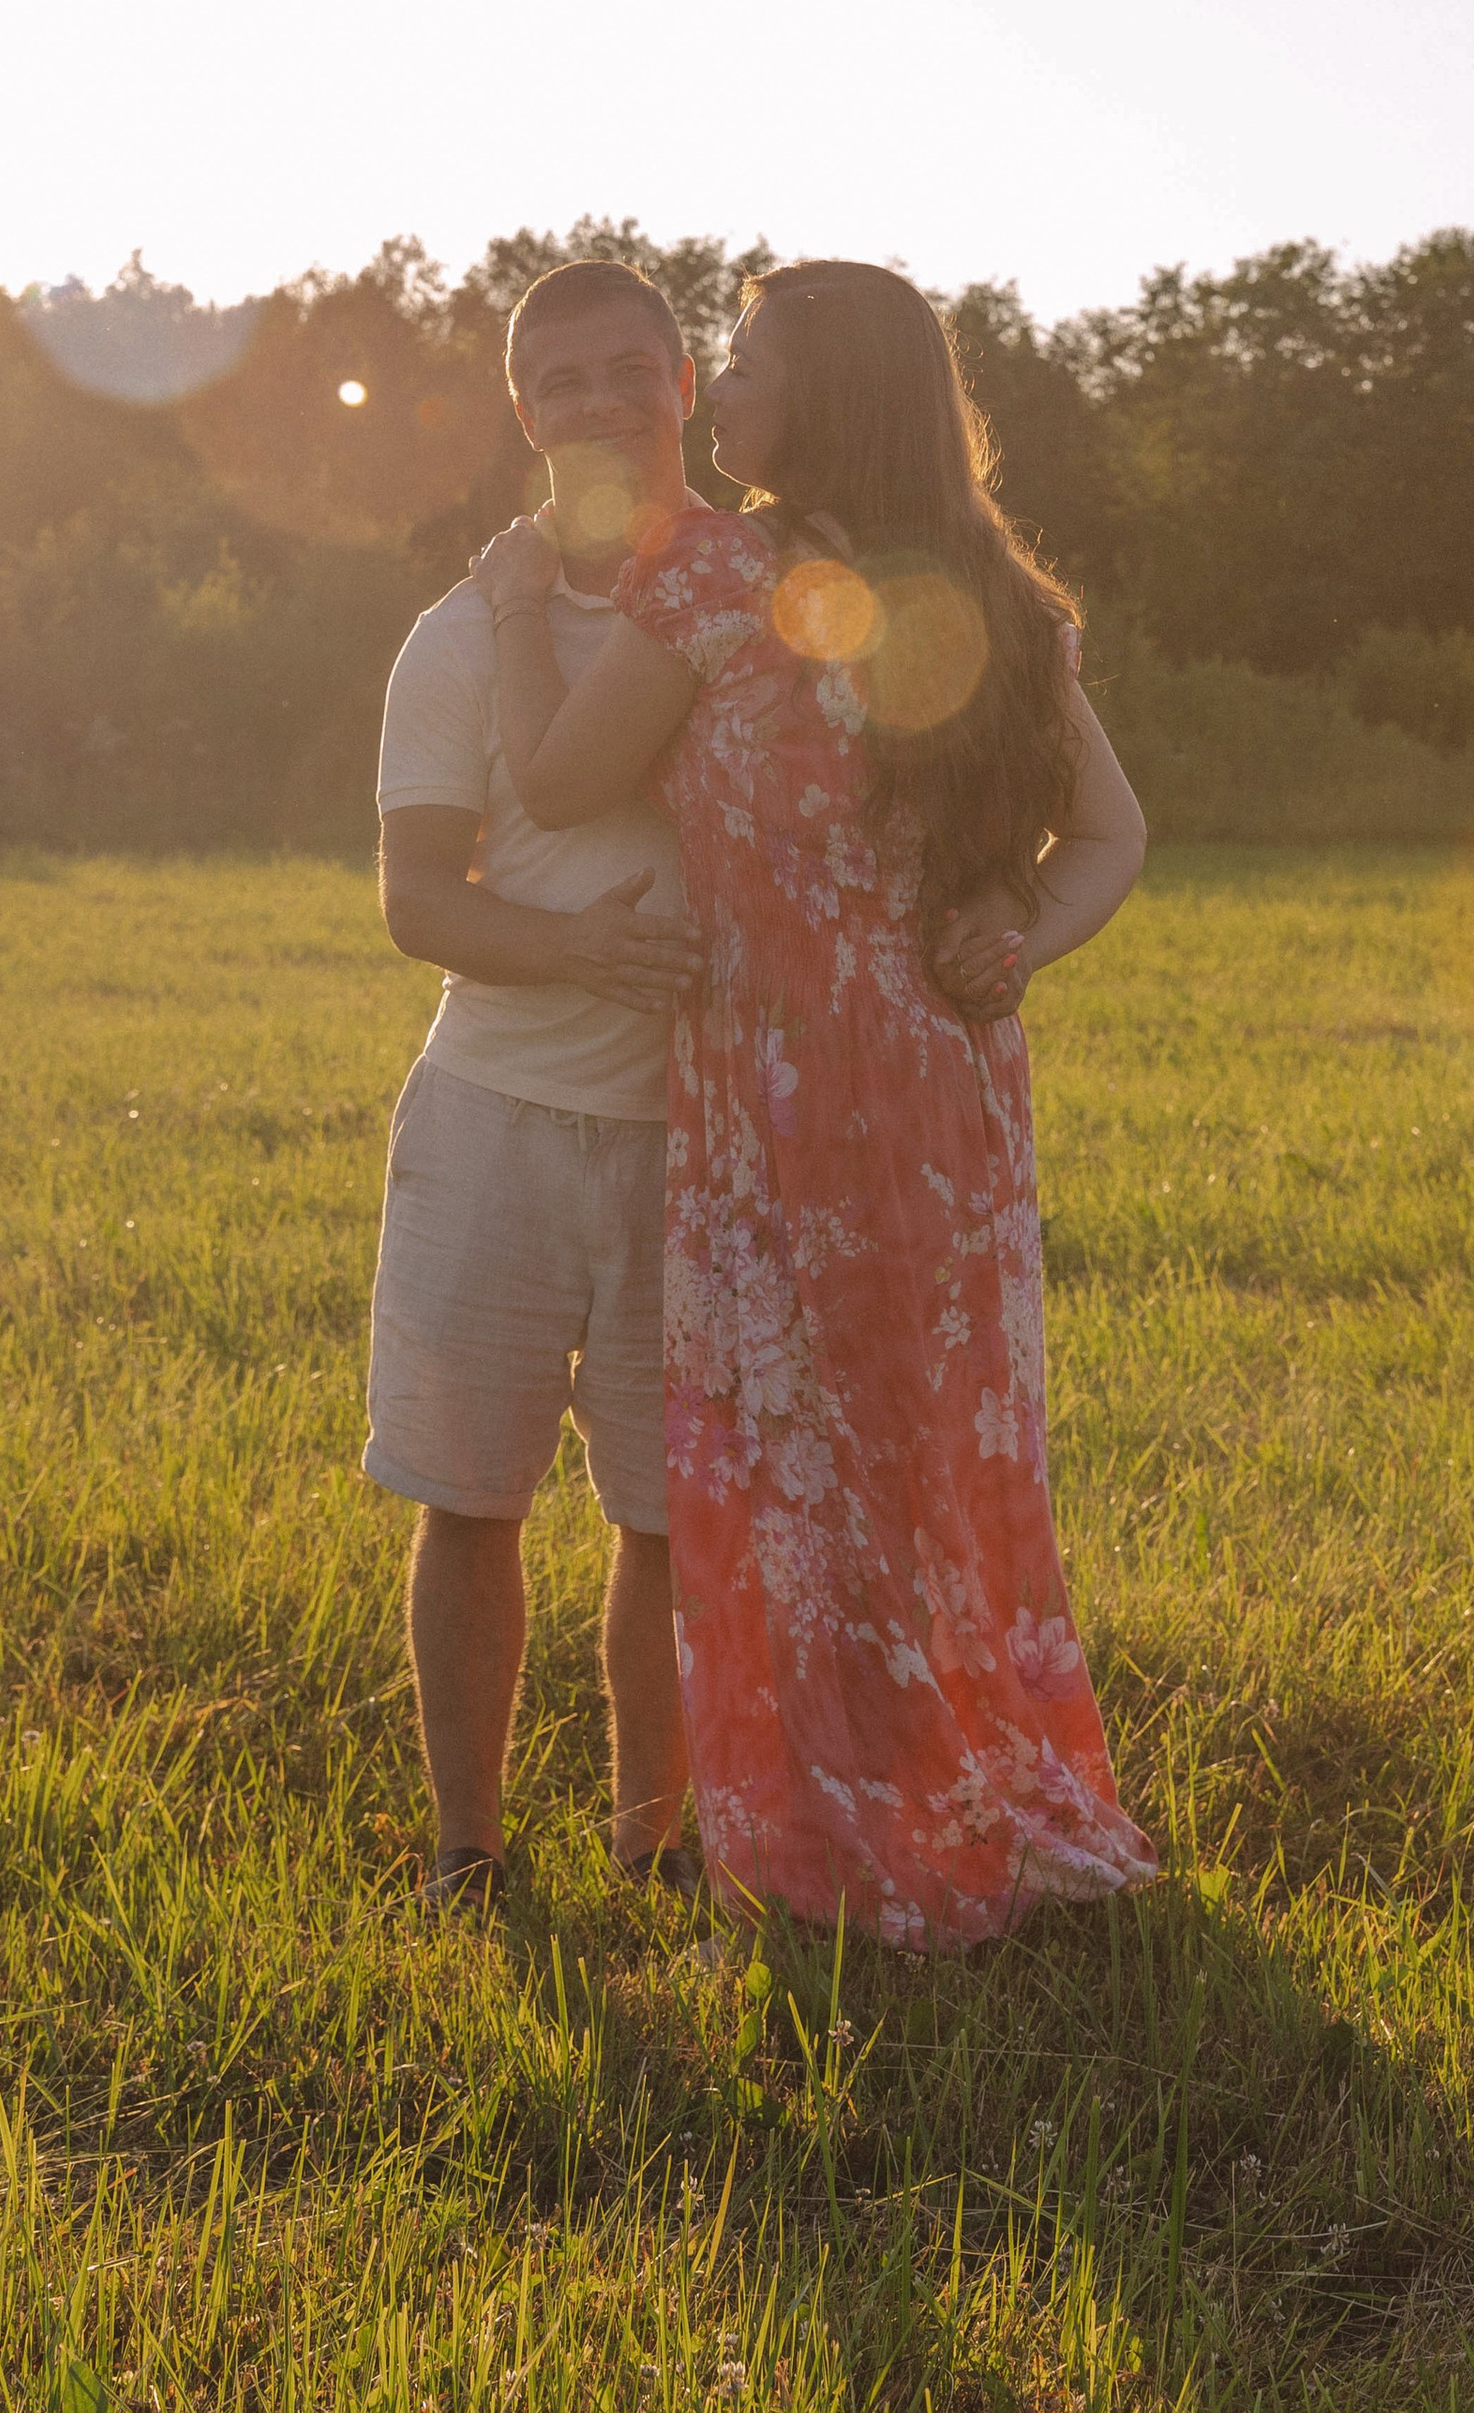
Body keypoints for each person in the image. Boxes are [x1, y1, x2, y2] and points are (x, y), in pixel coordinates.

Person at [472, 258, 1158, 1950]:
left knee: (798, 1463)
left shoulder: (725, 578)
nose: (732, 381)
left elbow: (556, 778)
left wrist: (503, 613)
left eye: (757, 360)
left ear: (831, 394)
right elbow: (1116, 840)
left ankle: (842, 1816)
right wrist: (1024, 936)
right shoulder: (995, 595)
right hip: (940, 1098)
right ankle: (939, 1783)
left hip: (784, 1104)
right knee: (927, 1461)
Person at [368, 257, 711, 1916]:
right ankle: (467, 1851)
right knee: (471, 1495)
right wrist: (581, 956)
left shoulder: (745, 609)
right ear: (525, 412)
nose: (596, 401)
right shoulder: (452, 636)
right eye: (560, 379)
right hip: (492, 1122)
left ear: (684, 387)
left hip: (696, 1141)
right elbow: (417, 903)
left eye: (624, 370)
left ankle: (658, 1836)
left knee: (665, 1516)